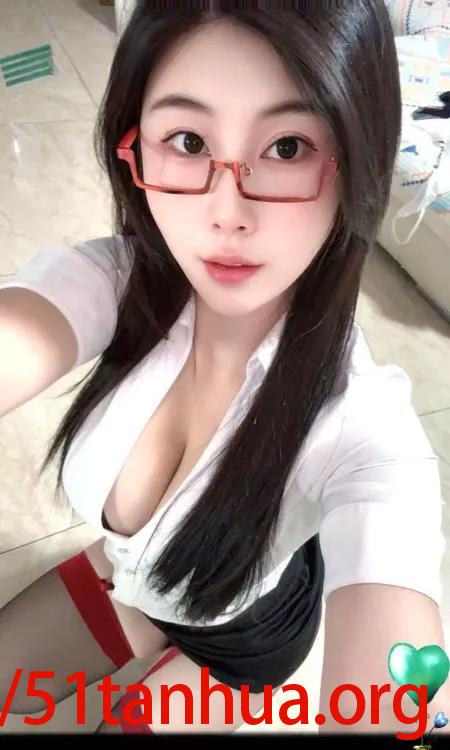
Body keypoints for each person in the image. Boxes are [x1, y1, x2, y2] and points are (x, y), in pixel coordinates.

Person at [0, 0, 447, 736]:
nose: (227, 211)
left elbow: (396, 684)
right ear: (134, 144)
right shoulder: (116, 284)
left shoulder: (364, 429)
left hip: (241, 647)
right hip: (131, 579)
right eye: (187, 140)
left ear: (357, 159)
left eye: (288, 147)